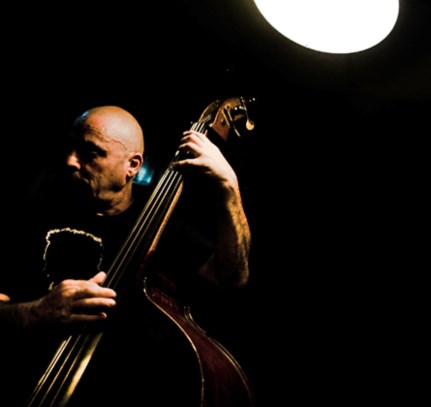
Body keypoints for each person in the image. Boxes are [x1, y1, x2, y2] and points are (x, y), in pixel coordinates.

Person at [0, 105, 254, 406]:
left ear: (132, 166)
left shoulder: (165, 230)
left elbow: (232, 278)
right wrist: (35, 312)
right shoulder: (33, 215)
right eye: (71, 148)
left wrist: (228, 187)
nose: (70, 161)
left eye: (90, 153)